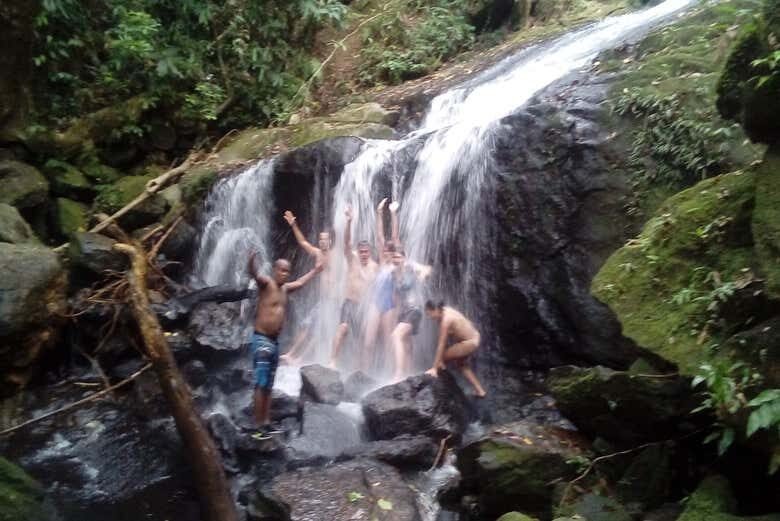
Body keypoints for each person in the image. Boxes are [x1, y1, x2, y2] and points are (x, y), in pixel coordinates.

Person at [247, 251, 323, 439]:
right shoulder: (267, 284)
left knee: (269, 385)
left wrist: (315, 270)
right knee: (261, 383)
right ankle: (257, 427)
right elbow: (255, 275)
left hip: (274, 342)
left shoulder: (286, 289)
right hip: (262, 339)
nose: (285, 274)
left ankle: (266, 422)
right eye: (281, 270)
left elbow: (301, 283)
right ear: (274, 270)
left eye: (287, 271)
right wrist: (251, 262)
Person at [329, 205, 379, 369]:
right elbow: (346, 243)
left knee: (360, 339)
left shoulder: (374, 267)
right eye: (361, 251)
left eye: (366, 251)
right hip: (350, 302)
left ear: (370, 252)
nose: (364, 254)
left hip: (363, 308)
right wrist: (349, 221)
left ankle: (359, 371)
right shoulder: (352, 259)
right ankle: (333, 361)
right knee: (342, 328)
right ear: (358, 251)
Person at [279, 209, 331, 365]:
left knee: (317, 330)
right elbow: (303, 243)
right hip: (322, 301)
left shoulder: (336, 255)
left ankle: (300, 358)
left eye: (325, 239)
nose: (322, 242)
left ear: (330, 241)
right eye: (320, 239)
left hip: (333, 301)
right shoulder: (317, 253)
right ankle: (291, 354)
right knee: (306, 325)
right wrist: (294, 224)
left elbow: (349, 250)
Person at [362, 198, 400, 370]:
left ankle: (388, 375)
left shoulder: (396, 265)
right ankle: (363, 372)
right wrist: (378, 213)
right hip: (376, 303)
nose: (384, 251)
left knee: (387, 342)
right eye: (384, 250)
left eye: (387, 250)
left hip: (390, 306)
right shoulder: (383, 263)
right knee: (368, 342)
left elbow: (394, 237)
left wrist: (393, 214)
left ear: (393, 252)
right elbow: (379, 237)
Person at [424, 301, 487, 397]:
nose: (430, 317)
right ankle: (480, 391)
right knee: (461, 364)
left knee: (442, 357)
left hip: (470, 342)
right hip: (475, 337)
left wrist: (434, 368)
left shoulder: (446, 320)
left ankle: (438, 382)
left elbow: (441, 344)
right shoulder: (447, 310)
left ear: (436, 309)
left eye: (429, 314)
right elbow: (464, 323)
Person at [390, 247, 431, 381]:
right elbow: (396, 297)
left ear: (404, 258)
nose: (396, 260)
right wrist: (395, 316)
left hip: (414, 309)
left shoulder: (411, 267)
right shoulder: (393, 274)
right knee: (406, 342)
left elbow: (427, 269)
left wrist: (422, 276)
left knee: (396, 336)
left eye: (398, 257)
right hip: (403, 311)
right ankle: (408, 375)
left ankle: (398, 374)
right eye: (394, 257)